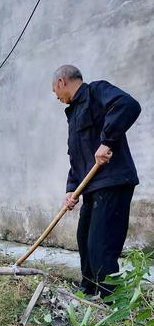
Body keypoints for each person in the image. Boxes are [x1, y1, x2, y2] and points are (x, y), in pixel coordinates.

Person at [52, 65, 141, 296]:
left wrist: (107, 141)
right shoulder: (73, 115)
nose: (57, 97)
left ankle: (112, 302)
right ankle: (88, 292)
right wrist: (71, 190)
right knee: (85, 240)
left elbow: (128, 105)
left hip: (112, 182)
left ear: (62, 82)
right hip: (92, 188)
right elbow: (77, 158)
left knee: (101, 246)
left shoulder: (96, 91)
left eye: (55, 91)